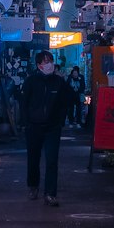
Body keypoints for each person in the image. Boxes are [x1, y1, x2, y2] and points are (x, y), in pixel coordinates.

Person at [21, 49, 71, 206]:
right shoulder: (31, 81)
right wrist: (26, 123)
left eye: (50, 61)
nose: (49, 64)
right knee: (33, 158)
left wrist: (61, 121)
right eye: (45, 62)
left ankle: (50, 193)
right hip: (34, 126)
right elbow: (24, 103)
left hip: (52, 127)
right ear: (38, 65)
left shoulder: (59, 82)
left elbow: (64, 103)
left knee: (52, 160)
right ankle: (33, 185)